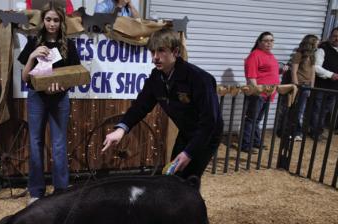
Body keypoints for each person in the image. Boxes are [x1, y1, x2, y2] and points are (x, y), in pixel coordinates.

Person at [102, 28, 223, 179]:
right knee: (173, 176)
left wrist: (189, 153)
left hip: (207, 134)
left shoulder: (199, 78)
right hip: (186, 131)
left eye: (161, 51)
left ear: (176, 52)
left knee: (189, 180)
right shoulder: (156, 77)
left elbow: (209, 122)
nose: (155, 58)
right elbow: (141, 106)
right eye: (152, 52)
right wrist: (121, 130)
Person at [18, 1, 81, 204]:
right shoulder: (34, 42)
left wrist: (63, 87)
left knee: (59, 144)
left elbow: (75, 75)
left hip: (60, 99)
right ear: (43, 21)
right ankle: (36, 191)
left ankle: (61, 191)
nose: (52, 24)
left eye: (56, 20)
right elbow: (25, 77)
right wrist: (32, 56)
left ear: (61, 21)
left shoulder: (68, 45)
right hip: (37, 98)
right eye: (48, 19)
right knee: (35, 143)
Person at [242, 32, 280, 153]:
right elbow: (251, 75)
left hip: (269, 93)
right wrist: (257, 91)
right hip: (258, 93)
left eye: (271, 40)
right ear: (259, 42)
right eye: (266, 40)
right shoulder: (255, 55)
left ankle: (256, 141)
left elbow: (269, 73)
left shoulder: (270, 55)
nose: (269, 43)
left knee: (257, 119)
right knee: (251, 119)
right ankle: (245, 144)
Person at [310, 27, 338, 139]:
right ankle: (315, 132)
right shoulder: (322, 49)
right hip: (321, 86)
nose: (336, 38)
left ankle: (319, 130)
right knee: (318, 109)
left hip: (334, 87)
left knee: (325, 110)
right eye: (335, 36)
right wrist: (330, 74)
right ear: (330, 36)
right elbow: (316, 67)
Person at [290, 34, 319, 141]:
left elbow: (313, 73)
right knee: (298, 109)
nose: (318, 44)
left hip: (307, 87)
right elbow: (294, 72)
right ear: (311, 43)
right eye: (316, 42)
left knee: (301, 110)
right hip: (300, 86)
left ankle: (297, 131)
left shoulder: (312, 56)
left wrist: (312, 87)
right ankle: (295, 132)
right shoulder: (299, 55)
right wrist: (296, 86)